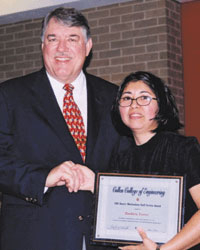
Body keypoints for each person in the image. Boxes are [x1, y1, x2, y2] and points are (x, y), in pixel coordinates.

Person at [0, 7, 127, 250]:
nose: (62, 48)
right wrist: (43, 178)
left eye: (72, 39)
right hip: (33, 239)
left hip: (102, 239)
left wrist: (102, 181)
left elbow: (131, 163)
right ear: (42, 46)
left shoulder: (114, 97)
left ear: (88, 46)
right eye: (53, 38)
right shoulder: (9, 95)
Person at [110, 71, 200, 250]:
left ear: (161, 105)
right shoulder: (120, 159)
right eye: (127, 98)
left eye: (144, 98)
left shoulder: (183, 148)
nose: (134, 105)